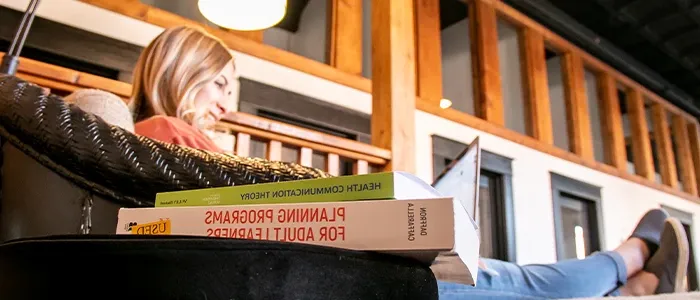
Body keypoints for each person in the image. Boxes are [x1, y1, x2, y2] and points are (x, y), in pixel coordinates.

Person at [127, 25, 691, 299]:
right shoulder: (164, 133)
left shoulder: (153, 147)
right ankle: (628, 261)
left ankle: (628, 284)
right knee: (514, 279)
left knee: (493, 268)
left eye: (232, 90)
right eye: (220, 84)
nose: (227, 105)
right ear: (180, 67)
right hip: (347, 282)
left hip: (332, 272)